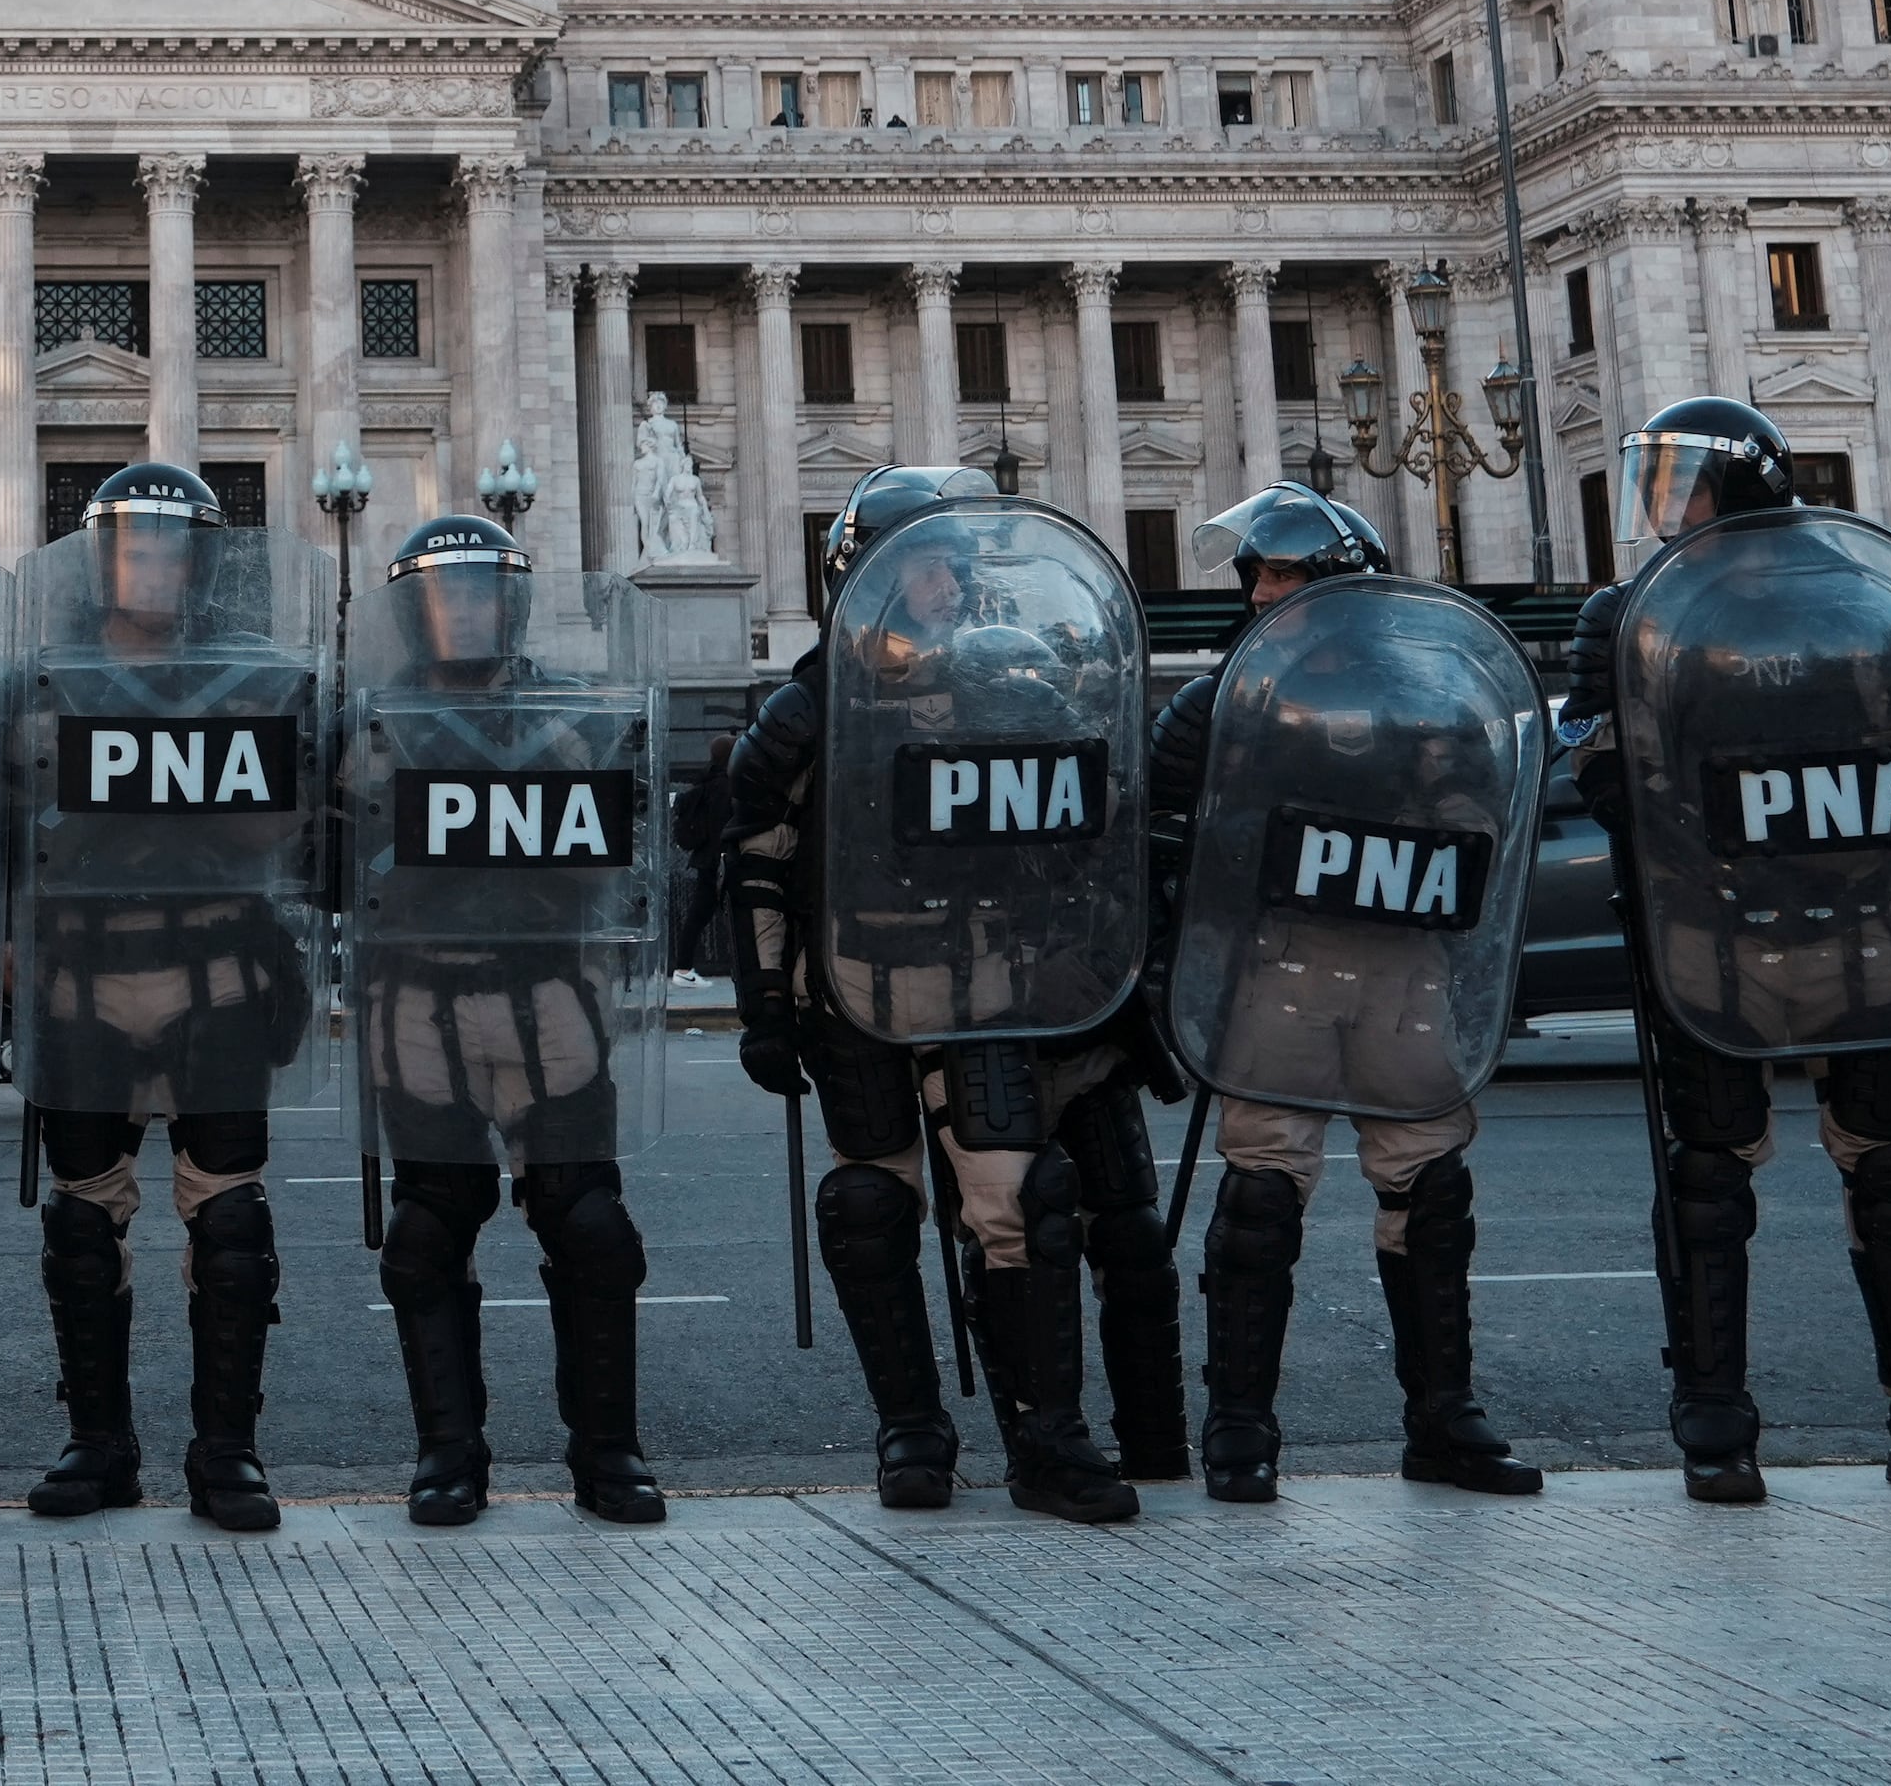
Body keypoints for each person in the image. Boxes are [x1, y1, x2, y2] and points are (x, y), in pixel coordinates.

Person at [1563, 396, 1891, 1506]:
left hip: (1853, 919)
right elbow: (1592, 755)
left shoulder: (1853, 598)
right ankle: (1714, 1417)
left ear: (1742, 487)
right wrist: (1681, 823)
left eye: (1684, 483)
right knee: (1706, 1172)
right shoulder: (1625, 613)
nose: (1664, 507)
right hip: (1709, 926)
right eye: (1657, 483)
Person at [727, 464, 1159, 1523]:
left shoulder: (1006, 688)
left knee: (1021, 1200)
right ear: (858, 579)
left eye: (949, 565)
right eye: (915, 564)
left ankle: (1046, 1440)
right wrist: (765, 1004)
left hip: (986, 986)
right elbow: (755, 861)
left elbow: (1086, 838)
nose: (940, 582)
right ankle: (910, 1431)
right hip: (857, 986)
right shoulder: (808, 710)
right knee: (870, 1207)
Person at [1143, 485, 1539, 1505]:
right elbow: (1155, 838)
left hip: (1399, 965)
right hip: (1276, 965)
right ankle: (1239, 1426)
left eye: (1283, 574)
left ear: (1335, 584)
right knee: (1262, 1192)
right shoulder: (1218, 704)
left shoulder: (1427, 700)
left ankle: (1442, 1419)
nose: (1261, 593)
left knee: (1430, 1187)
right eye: (1257, 574)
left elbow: (1480, 824)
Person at [11, 462, 309, 1535]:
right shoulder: (43, 679)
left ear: (200, 564)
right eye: (133, 545)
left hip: (214, 968)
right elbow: (3, 832)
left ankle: (226, 1451)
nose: (152, 564)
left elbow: (289, 830)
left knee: (229, 1221)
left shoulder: (249, 677)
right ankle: (98, 1444)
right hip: (82, 973)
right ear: (102, 559)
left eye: (171, 546)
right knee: (82, 1221)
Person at [352, 511, 664, 1527]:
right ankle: (448, 1455)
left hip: (549, 988)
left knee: (591, 1224)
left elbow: (629, 850)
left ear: (513, 603)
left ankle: (607, 1453)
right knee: (425, 1231)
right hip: (419, 996)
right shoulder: (372, 724)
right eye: (448, 592)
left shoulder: (571, 714)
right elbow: (329, 857)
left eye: (483, 590)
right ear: (416, 610)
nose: (467, 608)